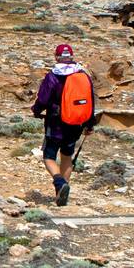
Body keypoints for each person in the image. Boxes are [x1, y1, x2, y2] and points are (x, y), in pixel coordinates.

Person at [31, 43, 97, 206]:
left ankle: (59, 183)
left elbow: (44, 99)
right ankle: (61, 194)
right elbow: (90, 100)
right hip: (76, 123)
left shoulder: (53, 76)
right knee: (67, 156)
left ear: (56, 57)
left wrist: (36, 110)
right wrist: (89, 124)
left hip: (56, 122)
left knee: (48, 156)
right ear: (72, 57)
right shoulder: (82, 75)